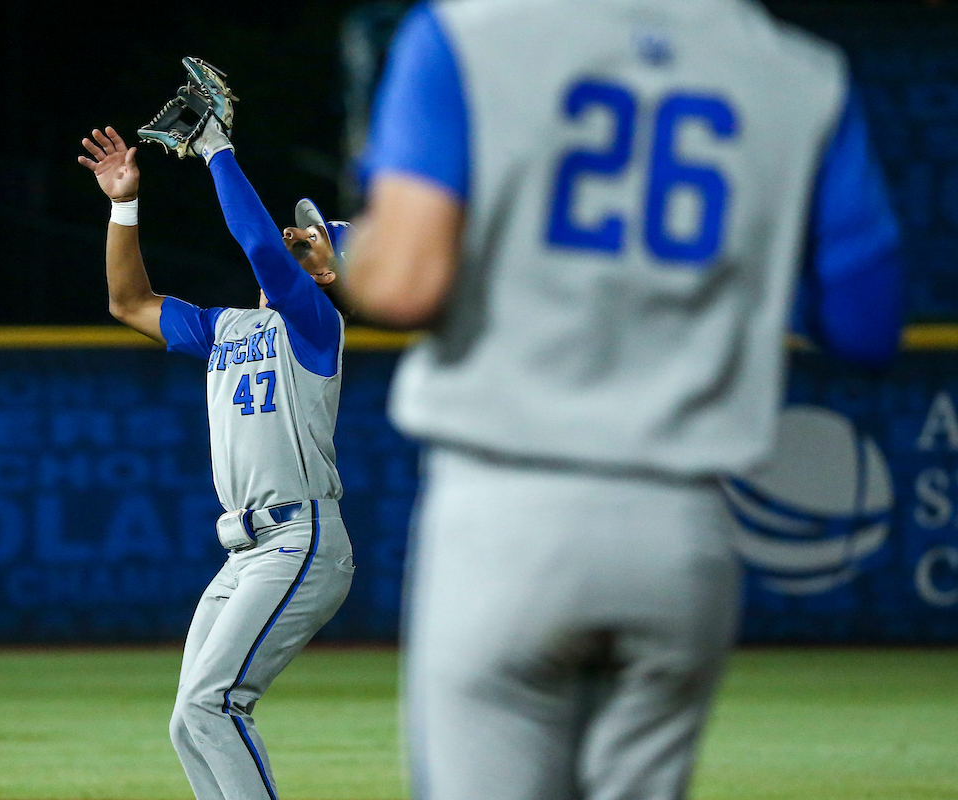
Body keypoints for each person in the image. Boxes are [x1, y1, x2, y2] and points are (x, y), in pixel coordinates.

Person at [343, 1, 904, 798]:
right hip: (682, 532)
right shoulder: (801, 72)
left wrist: (355, 246)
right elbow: (865, 321)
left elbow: (404, 285)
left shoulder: (464, 33)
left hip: (507, 514)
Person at [78, 120, 355, 800]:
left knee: (214, 703)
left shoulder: (316, 324)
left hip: (299, 541)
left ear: (325, 273)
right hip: (246, 550)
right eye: (296, 228)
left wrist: (215, 148)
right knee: (189, 721)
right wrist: (123, 205)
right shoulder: (224, 328)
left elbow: (258, 244)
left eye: (313, 237)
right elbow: (129, 303)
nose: (294, 233)